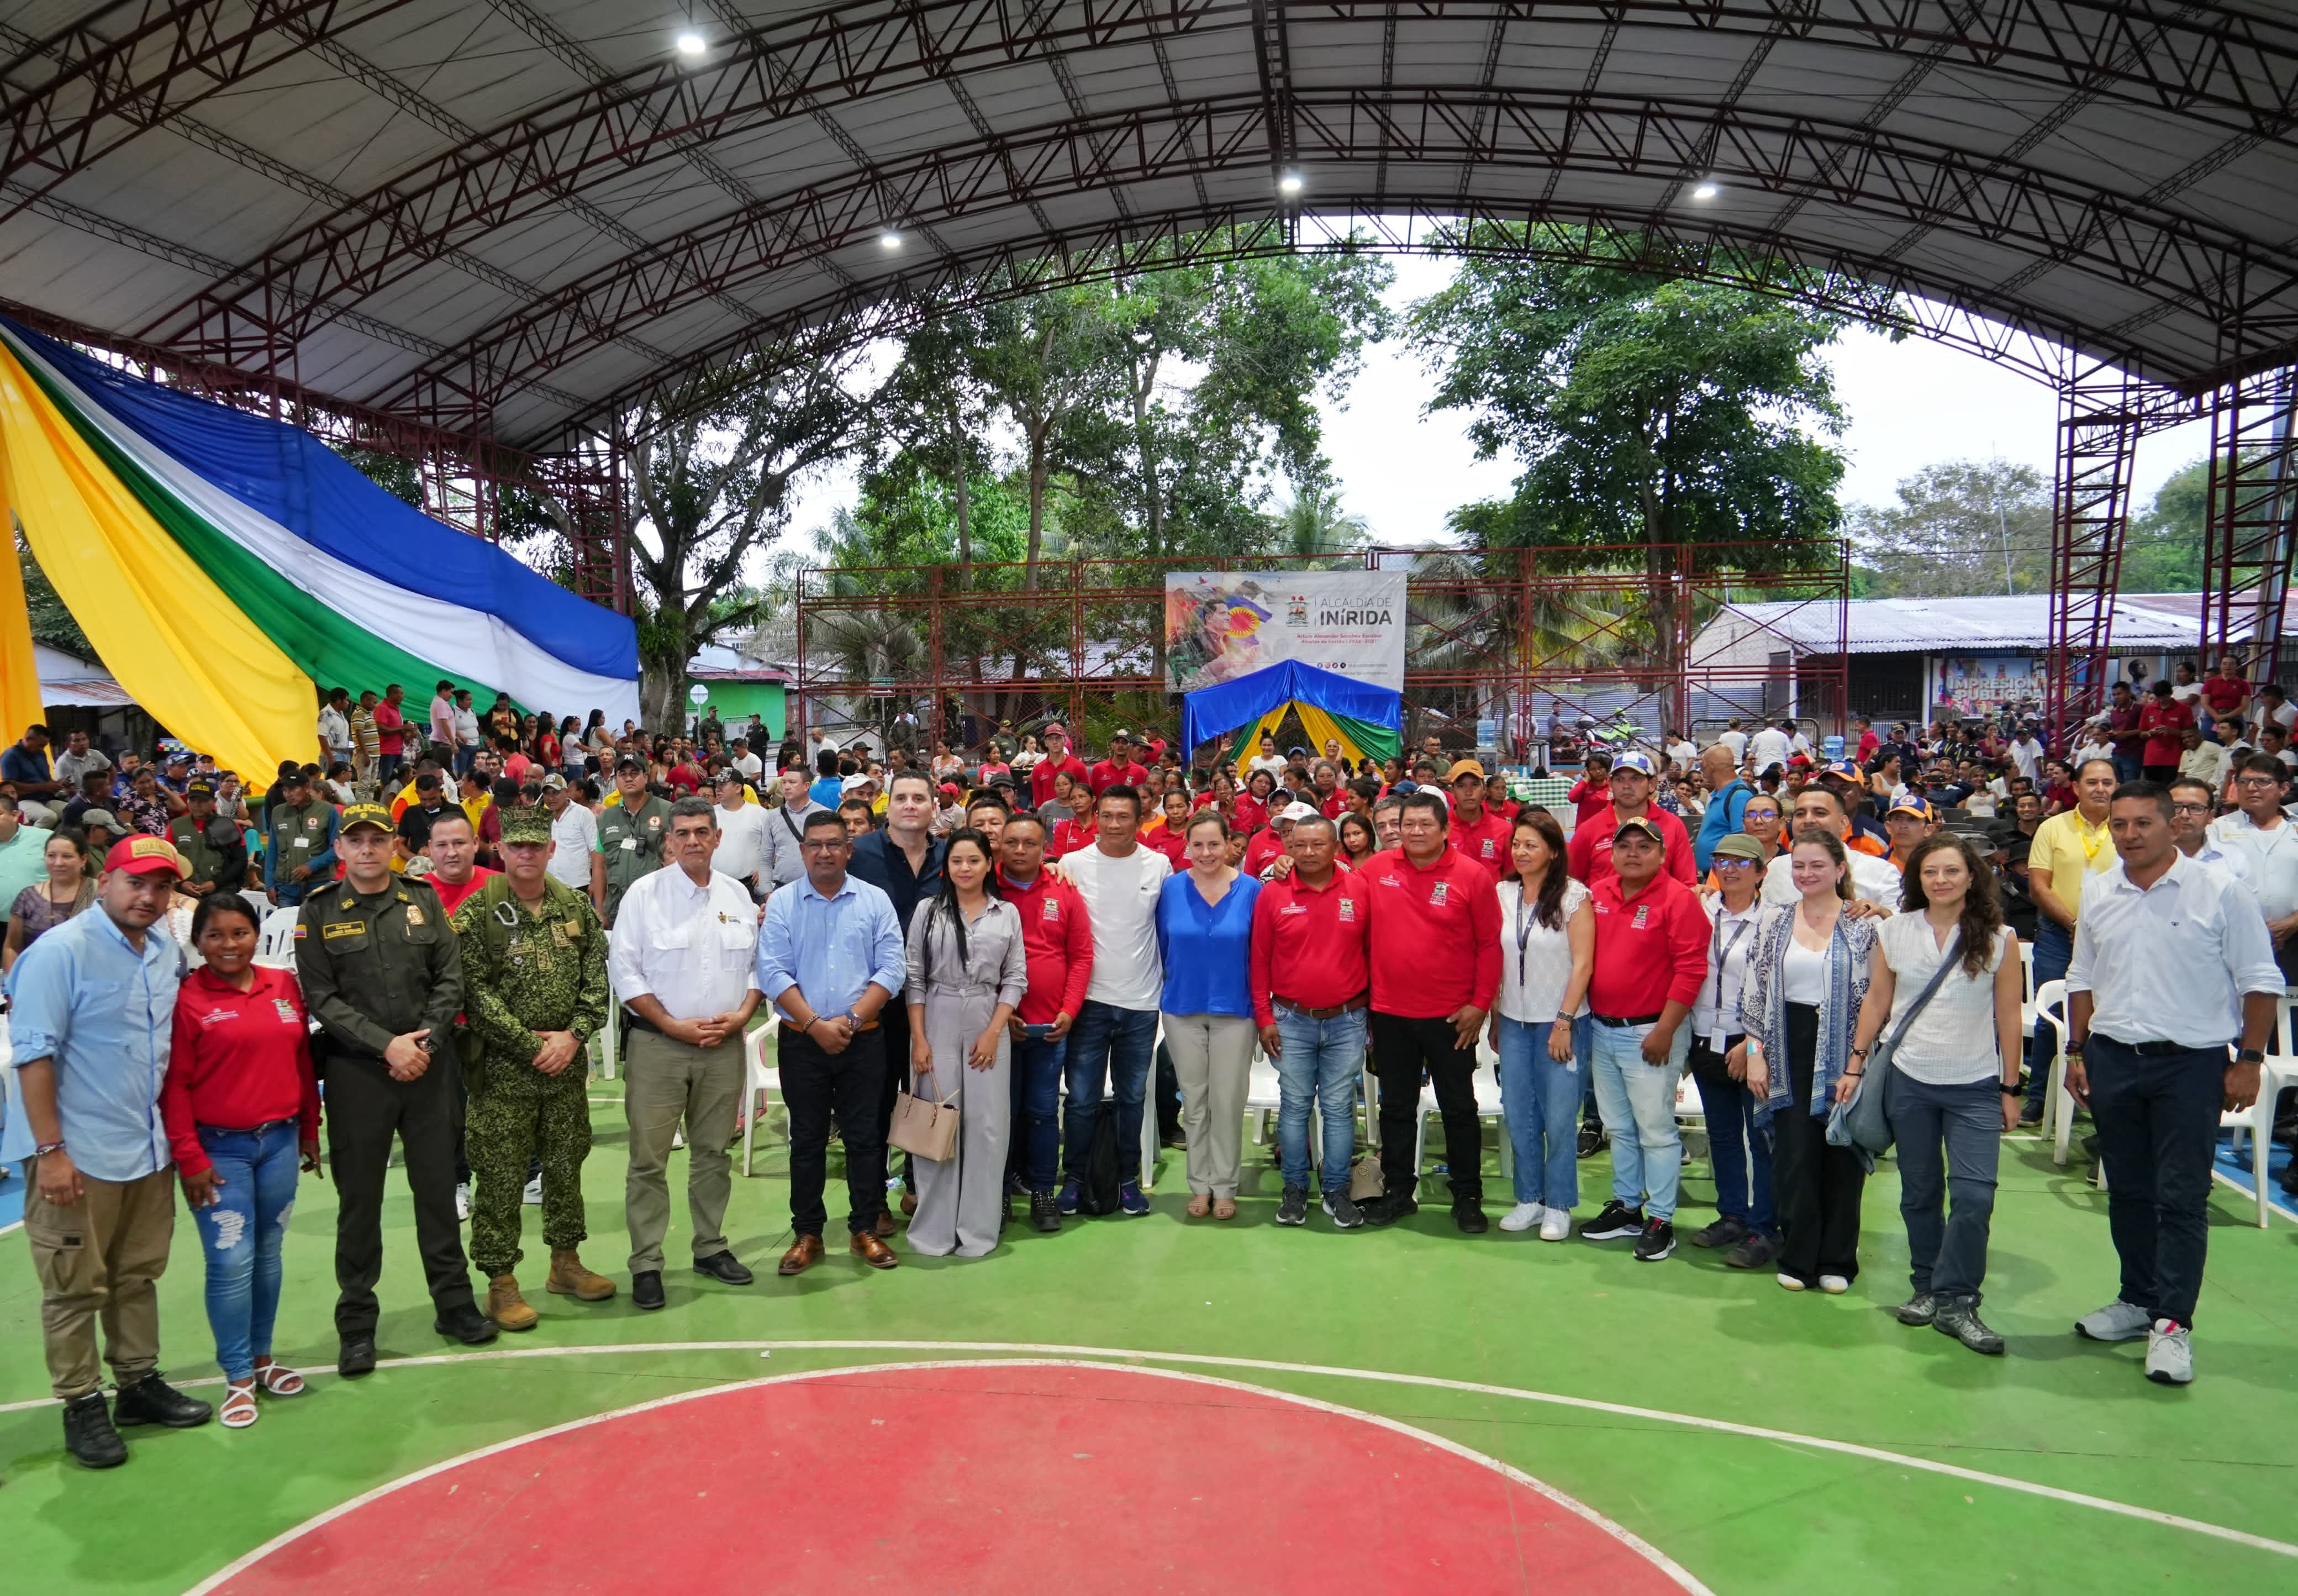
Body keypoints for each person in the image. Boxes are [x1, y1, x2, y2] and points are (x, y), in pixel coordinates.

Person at [7, 835, 215, 1466]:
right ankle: (81, 1404)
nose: (149, 897)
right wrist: (51, 1151)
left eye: (161, 886)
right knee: (74, 1288)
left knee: (136, 1275)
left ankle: (136, 1383)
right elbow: (34, 1055)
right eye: (136, 883)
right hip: (77, 1152)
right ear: (106, 883)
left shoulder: (160, 951)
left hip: (144, 1148)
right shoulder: (58, 953)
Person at [2064, 781, 2280, 1386]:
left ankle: (2171, 1324)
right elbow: (2081, 976)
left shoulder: (2219, 892)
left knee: (2181, 1196)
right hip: (2111, 1058)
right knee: (2127, 1190)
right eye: (2120, 825)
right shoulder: (2099, 891)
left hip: (2189, 1064)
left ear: (2172, 825)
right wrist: (2076, 1049)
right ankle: (2136, 1300)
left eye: (2142, 823)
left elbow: (2258, 980)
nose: (2129, 835)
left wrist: (2248, 1058)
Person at [295, 803, 489, 1372]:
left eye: (376, 839)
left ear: (393, 846)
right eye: (354, 840)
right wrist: (388, 1046)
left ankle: (454, 1304)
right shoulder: (319, 912)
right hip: (358, 1074)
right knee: (360, 1203)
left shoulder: (423, 899)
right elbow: (321, 998)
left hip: (428, 1069)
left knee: (438, 1192)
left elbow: (450, 978)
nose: (366, 849)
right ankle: (357, 1323)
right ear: (340, 850)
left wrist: (422, 1046)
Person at [1856, 834, 2023, 1356]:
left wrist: (2010, 1086)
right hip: (1909, 1079)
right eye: (1930, 872)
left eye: (1951, 871)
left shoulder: (2000, 938)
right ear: (1917, 879)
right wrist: (1856, 1063)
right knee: (1920, 1192)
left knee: (1974, 1196)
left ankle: (1959, 1299)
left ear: (1972, 876)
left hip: (1974, 1085)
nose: (1941, 880)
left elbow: (2010, 1015)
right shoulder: (1895, 932)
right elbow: (1877, 1001)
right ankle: (1927, 1285)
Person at [451, 804, 615, 1329]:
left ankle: (565, 1263)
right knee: (500, 1176)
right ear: (499, 850)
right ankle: (501, 1282)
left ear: (551, 850)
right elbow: (473, 994)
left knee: (567, 1168)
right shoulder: (477, 914)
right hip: (502, 1072)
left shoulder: (577, 907)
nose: (526, 854)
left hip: (565, 1069)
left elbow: (597, 982)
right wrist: (531, 1045)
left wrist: (573, 1037)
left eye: (535, 845)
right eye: (515, 845)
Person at [162, 891, 321, 1428]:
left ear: (256, 935)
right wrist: (189, 1158)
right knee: (231, 1262)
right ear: (198, 942)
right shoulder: (187, 1000)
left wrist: (309, 1130)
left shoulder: (283, 985)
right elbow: (175, 1085)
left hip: (278, 1143)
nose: (228, 945)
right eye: (215, 936)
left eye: (239, 933)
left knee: (269, 1254)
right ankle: (235, 1375)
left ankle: (262, 1358)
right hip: (218, 1151)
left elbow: (302, 1062)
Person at [605, 798, 762, 1308]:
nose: (692, 840)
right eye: (682, 833)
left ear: (718, 838)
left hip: (723, 1047)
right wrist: (672, 1024)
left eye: (702, 831)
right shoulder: (643, 895)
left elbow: (758, 968)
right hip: (658, 1047)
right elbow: (624, 972)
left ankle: (710, 1246)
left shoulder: (738, 895)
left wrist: (741, 1017)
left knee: (713, 1154)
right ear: (669, 841)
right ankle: (647, 1262)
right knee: (648, 1162)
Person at [756, 808, 906, 1274]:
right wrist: (818, 1023)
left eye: (832, 844)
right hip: (803, 1040)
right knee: (806, 1139)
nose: (824, 852)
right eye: (814, 844)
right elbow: (773, 971)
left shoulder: (875, 900)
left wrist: (855, 1017)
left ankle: (863, 1227)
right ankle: (808, 1232)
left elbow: (892, 969)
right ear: (802, 852)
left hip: (865, 1038)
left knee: (866, 1136)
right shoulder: (782, 903)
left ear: (848, 849)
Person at [1735, 832, 1879, 1295]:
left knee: (1841, 1154)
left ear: (1840, 869)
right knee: (1795, 1155)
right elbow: (1753, 995)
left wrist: (1858, 1060)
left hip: (1848, 1046)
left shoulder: (1864, 924)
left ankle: (1838, 1258)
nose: (1806, 874)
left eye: (1818, 865)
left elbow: (1880, 995)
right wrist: (1756, 1057)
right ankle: (1798, 1257)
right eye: (1799, 865)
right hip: (1784, 1046)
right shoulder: (1774, 920)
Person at [1361, 791, 1502, 1231]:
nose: (1416, 831)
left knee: (1459, 1107)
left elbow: (1490, 945)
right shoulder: (1375, 870)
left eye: (1426, 824)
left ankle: (1467, 1195)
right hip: (1389, 1013)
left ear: (1445, 829)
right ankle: (1399, 1192)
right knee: (1397, 1108)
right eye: (1408, 824)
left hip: (1451, 1018)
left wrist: (1480, 1005)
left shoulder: (1472, 876)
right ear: (1395, 829)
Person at [1574, 817, 1706, 1261]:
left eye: (1644, 846)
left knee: (1655, 1130)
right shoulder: (1601, 893)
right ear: (1612, 853)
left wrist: (1665, 1029)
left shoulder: (1678, 899)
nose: (1633, 853)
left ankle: (1662, 1218)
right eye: (1624, 845)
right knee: (1619, 1127)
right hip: (1602, 1027)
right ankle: (1629, 1205)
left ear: (1662, 853)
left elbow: (1691, 969)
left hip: (1650, 1031)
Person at [903, 828, 1027, 1257]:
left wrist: (994, 1031)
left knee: (987, 1129)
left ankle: (977, 1230)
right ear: (947, 866)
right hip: (937, 1015)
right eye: (957, 860)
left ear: (989, 864)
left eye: (974, 860)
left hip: (986, 1018)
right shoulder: (928, 911)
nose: (965, 868)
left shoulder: (1005, 913)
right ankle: (934, 1231)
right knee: (937, 1120)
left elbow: (1015, 977)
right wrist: (919, 1040)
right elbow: (914, 977)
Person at [1250, 812, 1372, 1230]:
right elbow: (1259, 959)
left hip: (1347, 1018)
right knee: (1295, 1106)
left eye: (1318, 844)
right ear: (1288, 848)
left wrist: (1370, 1014)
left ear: (1336, 847)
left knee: (1339, 1108)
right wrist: (1264, 1016)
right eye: (1298, 845)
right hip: (1290, 1018)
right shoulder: (1273, 894)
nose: (1307, 852)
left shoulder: (1359, 887)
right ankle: (1295, 1188)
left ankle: (1336, 1189)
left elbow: (1373, 952)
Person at [848, 771, 946, 1229]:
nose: (910, 805)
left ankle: (917, 1184)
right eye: (902, 797)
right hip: (877, 998)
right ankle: (872, 1200)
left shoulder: (950, 856)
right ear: (888, 805)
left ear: (933, 806)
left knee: (925, 1095)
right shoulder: (860, 854)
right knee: (876, 1098)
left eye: (919, 798)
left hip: (935, 1001)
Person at [1489, 811, 1591, 1242]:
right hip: (1513, 1020)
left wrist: (1564, 1021)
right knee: (1519, 1113)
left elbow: (1584, 962)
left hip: (1561, 1022)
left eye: (1532, 844)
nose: (1522, 851)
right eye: (1517, 844)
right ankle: (1529, 1198)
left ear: (1553, 850)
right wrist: (1496, 1017)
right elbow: (1495, 959)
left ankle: (1559, 1204)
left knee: (1560, 1117)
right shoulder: (1502, 893)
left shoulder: (1574, 896)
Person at [1154, 812, 1262, 1220]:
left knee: (1228, 1101)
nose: (1205, 852)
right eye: (1197, 845)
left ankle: (1226, 1185)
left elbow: (1260, 951)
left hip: (1236, 1009)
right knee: (1195, 1102)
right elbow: (1163, 946)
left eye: (1214, 844)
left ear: (1230, 844)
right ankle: (1199, 1183)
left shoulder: (1251, 890)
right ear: (1186, 847)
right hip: (1182, 1008)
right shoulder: (1171, 889)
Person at [995, 812, 1094, 1232]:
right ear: (999, 844)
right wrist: (1000, 1015)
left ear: (1044, 848)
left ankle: (1041, 1190)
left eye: (1030, 843)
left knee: (1040, 1113)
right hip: (996, 1032)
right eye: (1012, 842)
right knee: (997, 1114)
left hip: (1049, 1029)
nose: (1021, 850)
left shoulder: (1063, 889)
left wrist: (1069, 1012)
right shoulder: (984, 885)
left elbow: (1082, 956)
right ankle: (995, 1193)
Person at [1685, 831, 1779, 1268]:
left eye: (1741, 862)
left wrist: (1753, 1041)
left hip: (1751, 1044)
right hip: (1705, 1038)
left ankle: (1765, 1226)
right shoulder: (1700, 911)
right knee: (1722, 1135)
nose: (1729, 868)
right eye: (1722, 861)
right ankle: (1732, 1215)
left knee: (1760, 1138)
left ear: (1761, 871)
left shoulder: (1776, 921)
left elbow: (1777, 989)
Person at [2018, 757, 2118, 1124]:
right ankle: (2041, 1098)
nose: (2100, 788)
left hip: (2114, 939)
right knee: (2052, 1015)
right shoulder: (2053, 827)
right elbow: (2039, 885)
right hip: (2060, 934)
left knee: (2107, 1017)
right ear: (2076, 787)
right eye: (2092, 781)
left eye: (2108, 782)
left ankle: (2097, 1099)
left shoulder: (2125, 828)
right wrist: (2074, 922)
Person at [2206, 753, 2298, 984]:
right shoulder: (2217, 829)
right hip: (2231, 940)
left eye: (2262, 781)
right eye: (2243, 782)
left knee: (2289, 1015)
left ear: (2284, 787)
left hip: (2293, 938)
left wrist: (2293, 923)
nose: (2251, 788)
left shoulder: (2296, 828)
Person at [1566, 751, 1695, 891]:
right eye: (1620, 780)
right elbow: (1571, 885)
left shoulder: (1673, 826)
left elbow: (1687, 885)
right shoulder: (1589, 830)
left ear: (1652, 784)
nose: (1626, 786)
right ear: (1610, 784)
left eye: (1635, 779)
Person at [1761, 783, 1901, 910]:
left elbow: (1899, 930)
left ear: (1843, 823)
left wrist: (1881, 914)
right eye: (1800, 814)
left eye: (1820, 813)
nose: (1808, 820)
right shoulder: (1777, 868)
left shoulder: (1881, 873)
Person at [4, 825, 94, 972]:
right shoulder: (28, 898)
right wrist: (12, 987)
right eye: (51, 856)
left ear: (83, 859)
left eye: (67, 856)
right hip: (36, 983)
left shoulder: (100, 895)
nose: (58, 863)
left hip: (88, 984)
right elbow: (12, 947)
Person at [597, 755, 673, 924]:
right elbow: (600, 866)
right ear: (617, 780)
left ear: (646, 777)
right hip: (617, 909)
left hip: (658, 907)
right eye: (623, 774)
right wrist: (600, 911)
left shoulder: (669, 812)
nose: (629, 778)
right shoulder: (606, 818)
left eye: (634, 773)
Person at [262, 768, 339, 909]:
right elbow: (273, 850)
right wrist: (269, 884)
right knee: (286, 927)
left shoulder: (327, 810)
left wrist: (312, 866)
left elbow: (338, 848)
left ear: (307, 788)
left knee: (317, 928)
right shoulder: (278, 812)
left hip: (319, 884)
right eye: (284, 791)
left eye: (292, 790)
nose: (287, 795)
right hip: (286, 886)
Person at [760, 762, 828, 897]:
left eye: (792, 782)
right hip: (781, 888)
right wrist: (767, 892)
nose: (786, 787)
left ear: (807, 786)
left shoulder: (824, 815)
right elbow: (766, 857)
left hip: (818, 888)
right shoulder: (772, 817)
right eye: (784, 782)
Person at [1445, 760, 1514, 878]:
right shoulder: (1441, 828)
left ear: (1484, 789)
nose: (1469, 792)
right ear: (1452, 791)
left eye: (1475, 785)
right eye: (1461, 786)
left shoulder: (1504, 830)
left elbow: (1510, 876)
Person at [1693, 744, 1752, 875]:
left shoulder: (1739, 796)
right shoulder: (1719, 793)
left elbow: (1742, 841)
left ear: (1711, 766)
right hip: (1714, 872)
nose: (1701, 766)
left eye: (1704, 762)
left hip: (1726, 873)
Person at [1029, 721, 1091, 809]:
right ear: (1046, 743)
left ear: (1065, 741)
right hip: (1048, 818)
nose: (1054, 742)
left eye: (1058, 738)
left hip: (1074, 817)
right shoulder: (1038, 769)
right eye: (1050, 739)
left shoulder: (1078, 766)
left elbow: (1086, 795)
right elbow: (1038, 801)